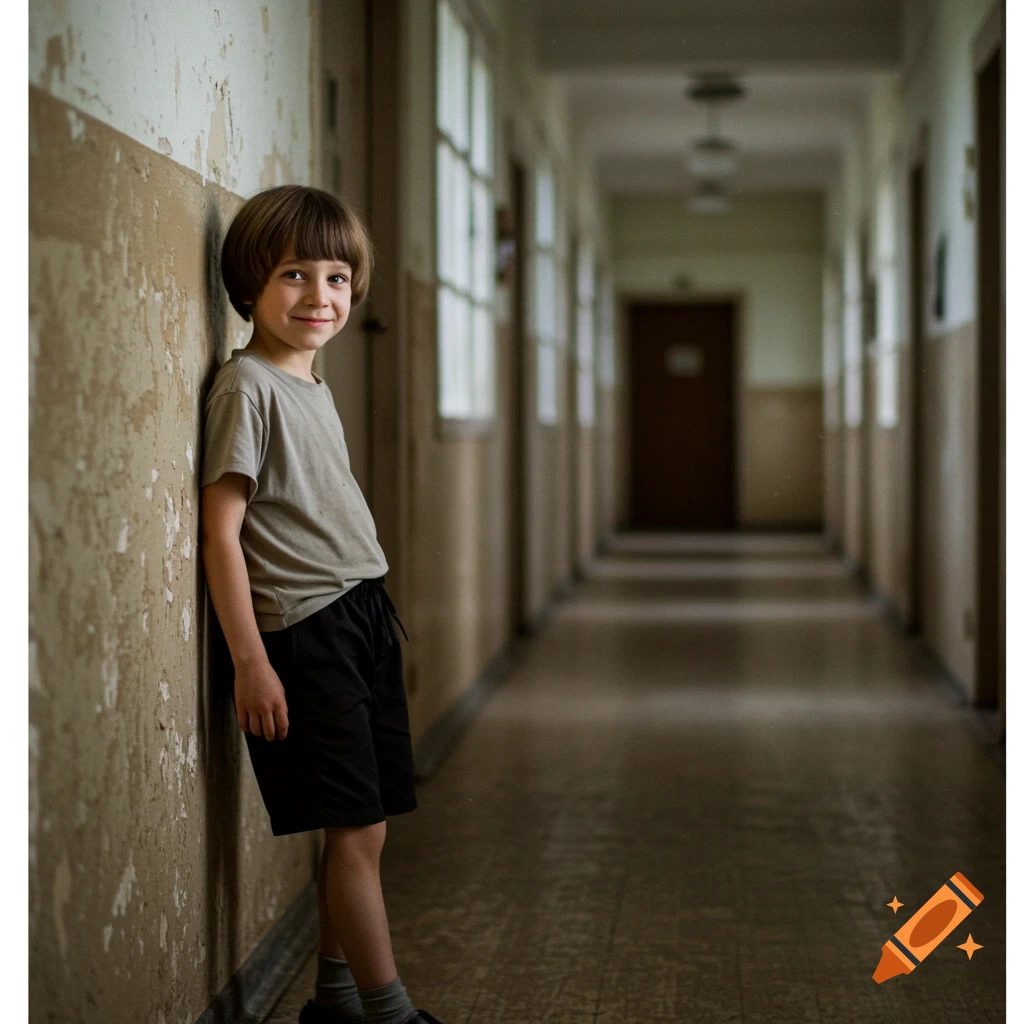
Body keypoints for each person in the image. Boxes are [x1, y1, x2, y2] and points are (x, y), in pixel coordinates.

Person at [200, 185, 440, 1024]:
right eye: (295, 275)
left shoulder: (312, 388)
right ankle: (389, 1013)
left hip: (361, 614)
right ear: (247, 288)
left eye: (338, 278)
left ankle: (335, 1000)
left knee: (366, 827)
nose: (320, 296)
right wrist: (251, 661)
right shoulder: (248, 388)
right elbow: (221, 536)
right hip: (303, 632)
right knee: (355, 829)